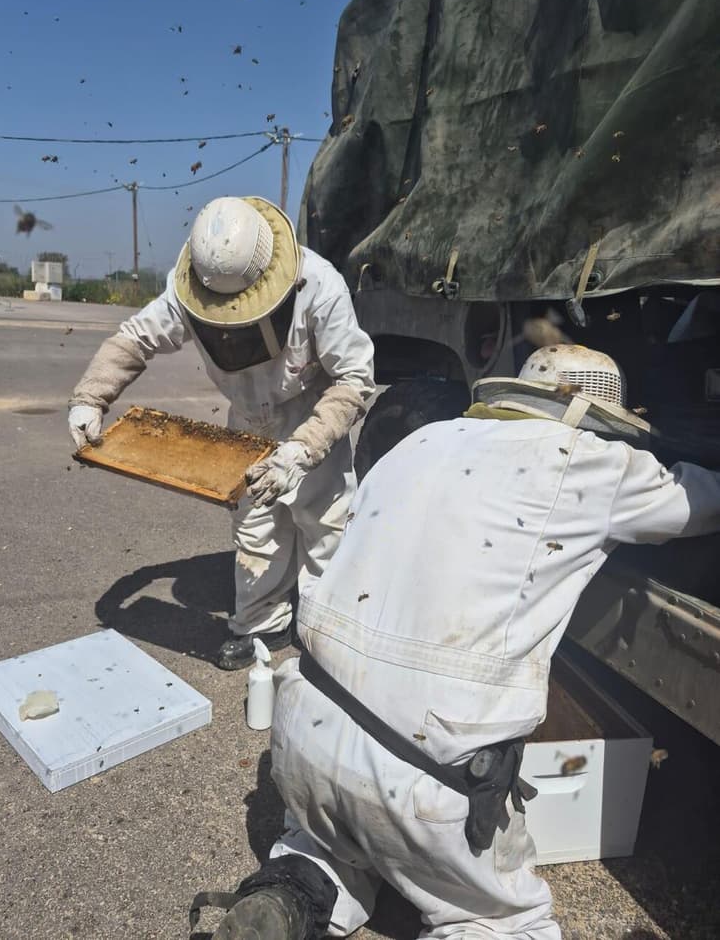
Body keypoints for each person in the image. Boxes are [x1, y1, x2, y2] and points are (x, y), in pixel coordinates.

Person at [188, 344, 720, 940]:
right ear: (597, 418)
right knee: (504, 921)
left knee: (330, 845)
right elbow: (701, 502)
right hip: (425, 777)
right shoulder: (593, 462)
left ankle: (296, 888)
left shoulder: (422, 439)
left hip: (304, 730)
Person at [68, 196, 375, 669]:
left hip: (310, 415)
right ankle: (263, 625)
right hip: (246, 423)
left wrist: (303, 449)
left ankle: (327, 632)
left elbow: (354, 378)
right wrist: (91, 396)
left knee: (324, 525)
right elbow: (135, 338)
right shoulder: (189, 288)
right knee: (255, 527)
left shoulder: (320, 285)